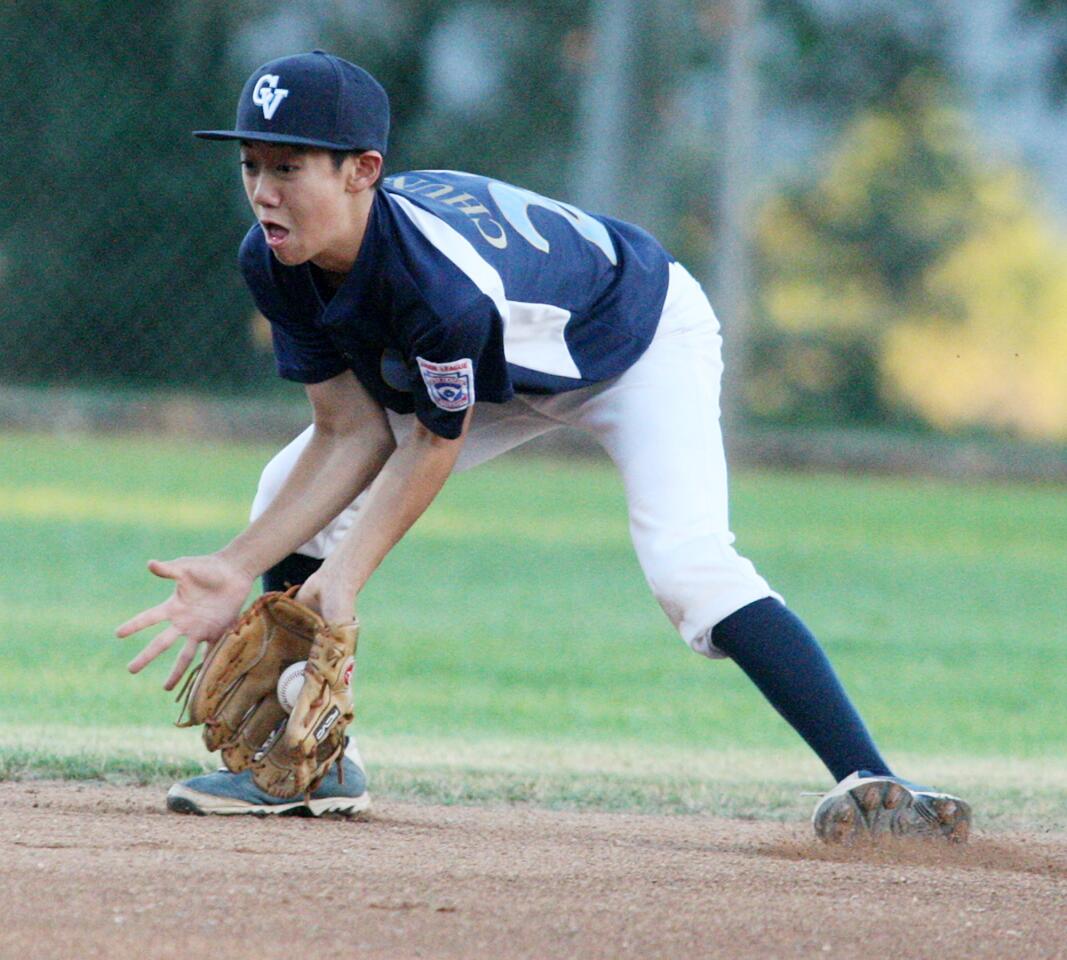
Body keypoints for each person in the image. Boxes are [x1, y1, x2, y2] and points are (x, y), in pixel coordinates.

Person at [116, 51, 970, 840]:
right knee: (282, 490)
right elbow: (351, 430)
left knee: (690, 568)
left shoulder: (438, 285)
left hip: (635, 337)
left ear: (362, 171)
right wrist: (236, 565)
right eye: (252, 166)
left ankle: (879, 788)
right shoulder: (274, 260)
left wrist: (342, 582)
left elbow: (427, 447)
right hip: (506, 357)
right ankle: (311, 763)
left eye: (289, 167)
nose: (263, 191)